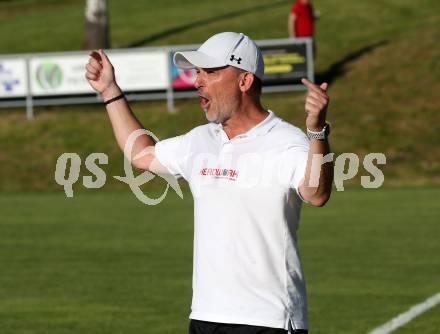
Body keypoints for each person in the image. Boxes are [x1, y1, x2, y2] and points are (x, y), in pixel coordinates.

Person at [85, 32, 333, 334]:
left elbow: (316, 193)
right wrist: (110, 91)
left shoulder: (286, 141)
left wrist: (317, 131)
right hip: (206, 316)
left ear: (245, 81)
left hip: (268, 320)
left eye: (210, 72)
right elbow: (142, 155)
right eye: (197, 72)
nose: (197, 81)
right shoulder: (200, 140)